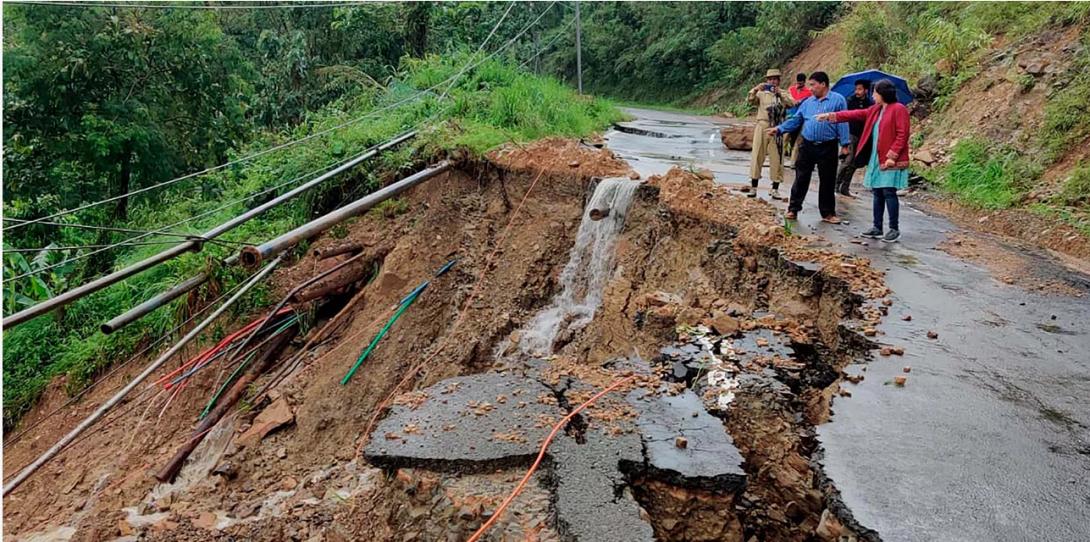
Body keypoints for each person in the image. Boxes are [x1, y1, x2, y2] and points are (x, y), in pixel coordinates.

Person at [816, 79, 911, 242]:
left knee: (889, 192)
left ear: (883, 94)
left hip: (889, 158)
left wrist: (892, 155)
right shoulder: (876, 110)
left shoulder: (898, 109)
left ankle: (894, 229)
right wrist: (831, 116)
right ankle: (877, 227)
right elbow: (855, 114)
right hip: (876, 156)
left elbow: (903, 134)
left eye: (875, 92)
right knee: (877, 192)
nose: (873, 95)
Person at [768, 71, 851, 223]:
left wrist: (845, 144)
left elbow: (843, 122)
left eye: (813, 85)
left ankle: (828, 213)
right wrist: (780, 129)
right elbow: (797, 119)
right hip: (807, 145)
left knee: (827, 180)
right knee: (801, 177)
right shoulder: (808, 102)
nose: (810, 88)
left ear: (823, 84)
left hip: (828, 146)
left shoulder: (838, 100)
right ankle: (793, 209)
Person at [747, 69, 795, 200]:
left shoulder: (783, 93)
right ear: (766, 80)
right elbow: (750, 100)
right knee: (757, 154)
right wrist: (756, 89)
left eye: (775, 79)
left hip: (777, 127)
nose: (772, 81)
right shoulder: (761, 94)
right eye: (770, 79)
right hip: (762, 124)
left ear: (779, 80)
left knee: (777, 158)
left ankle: (775, 188)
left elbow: (792, 103)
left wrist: (780, 94)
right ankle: (753, 186)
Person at [835, 79, 873, 197]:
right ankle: (836, 185)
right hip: (851, 133)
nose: (857, 91)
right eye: (856, 89)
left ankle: (845, 187)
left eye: (860, 89)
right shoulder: (850, 101)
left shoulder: (870, 103)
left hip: (864, 136)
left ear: (866, 90)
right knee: (847, 160)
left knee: (855, 163)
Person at [784, 72, 811, 167]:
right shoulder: (791, 90)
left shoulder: (808, 93)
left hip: (801, 119)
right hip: (789, 117)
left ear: (804, 82)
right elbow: (785, 101)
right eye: (798, 83)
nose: (799, 85)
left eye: (801, 83)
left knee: (798, 142)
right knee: (785, 138)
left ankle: (793, 163)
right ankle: (778, 160)